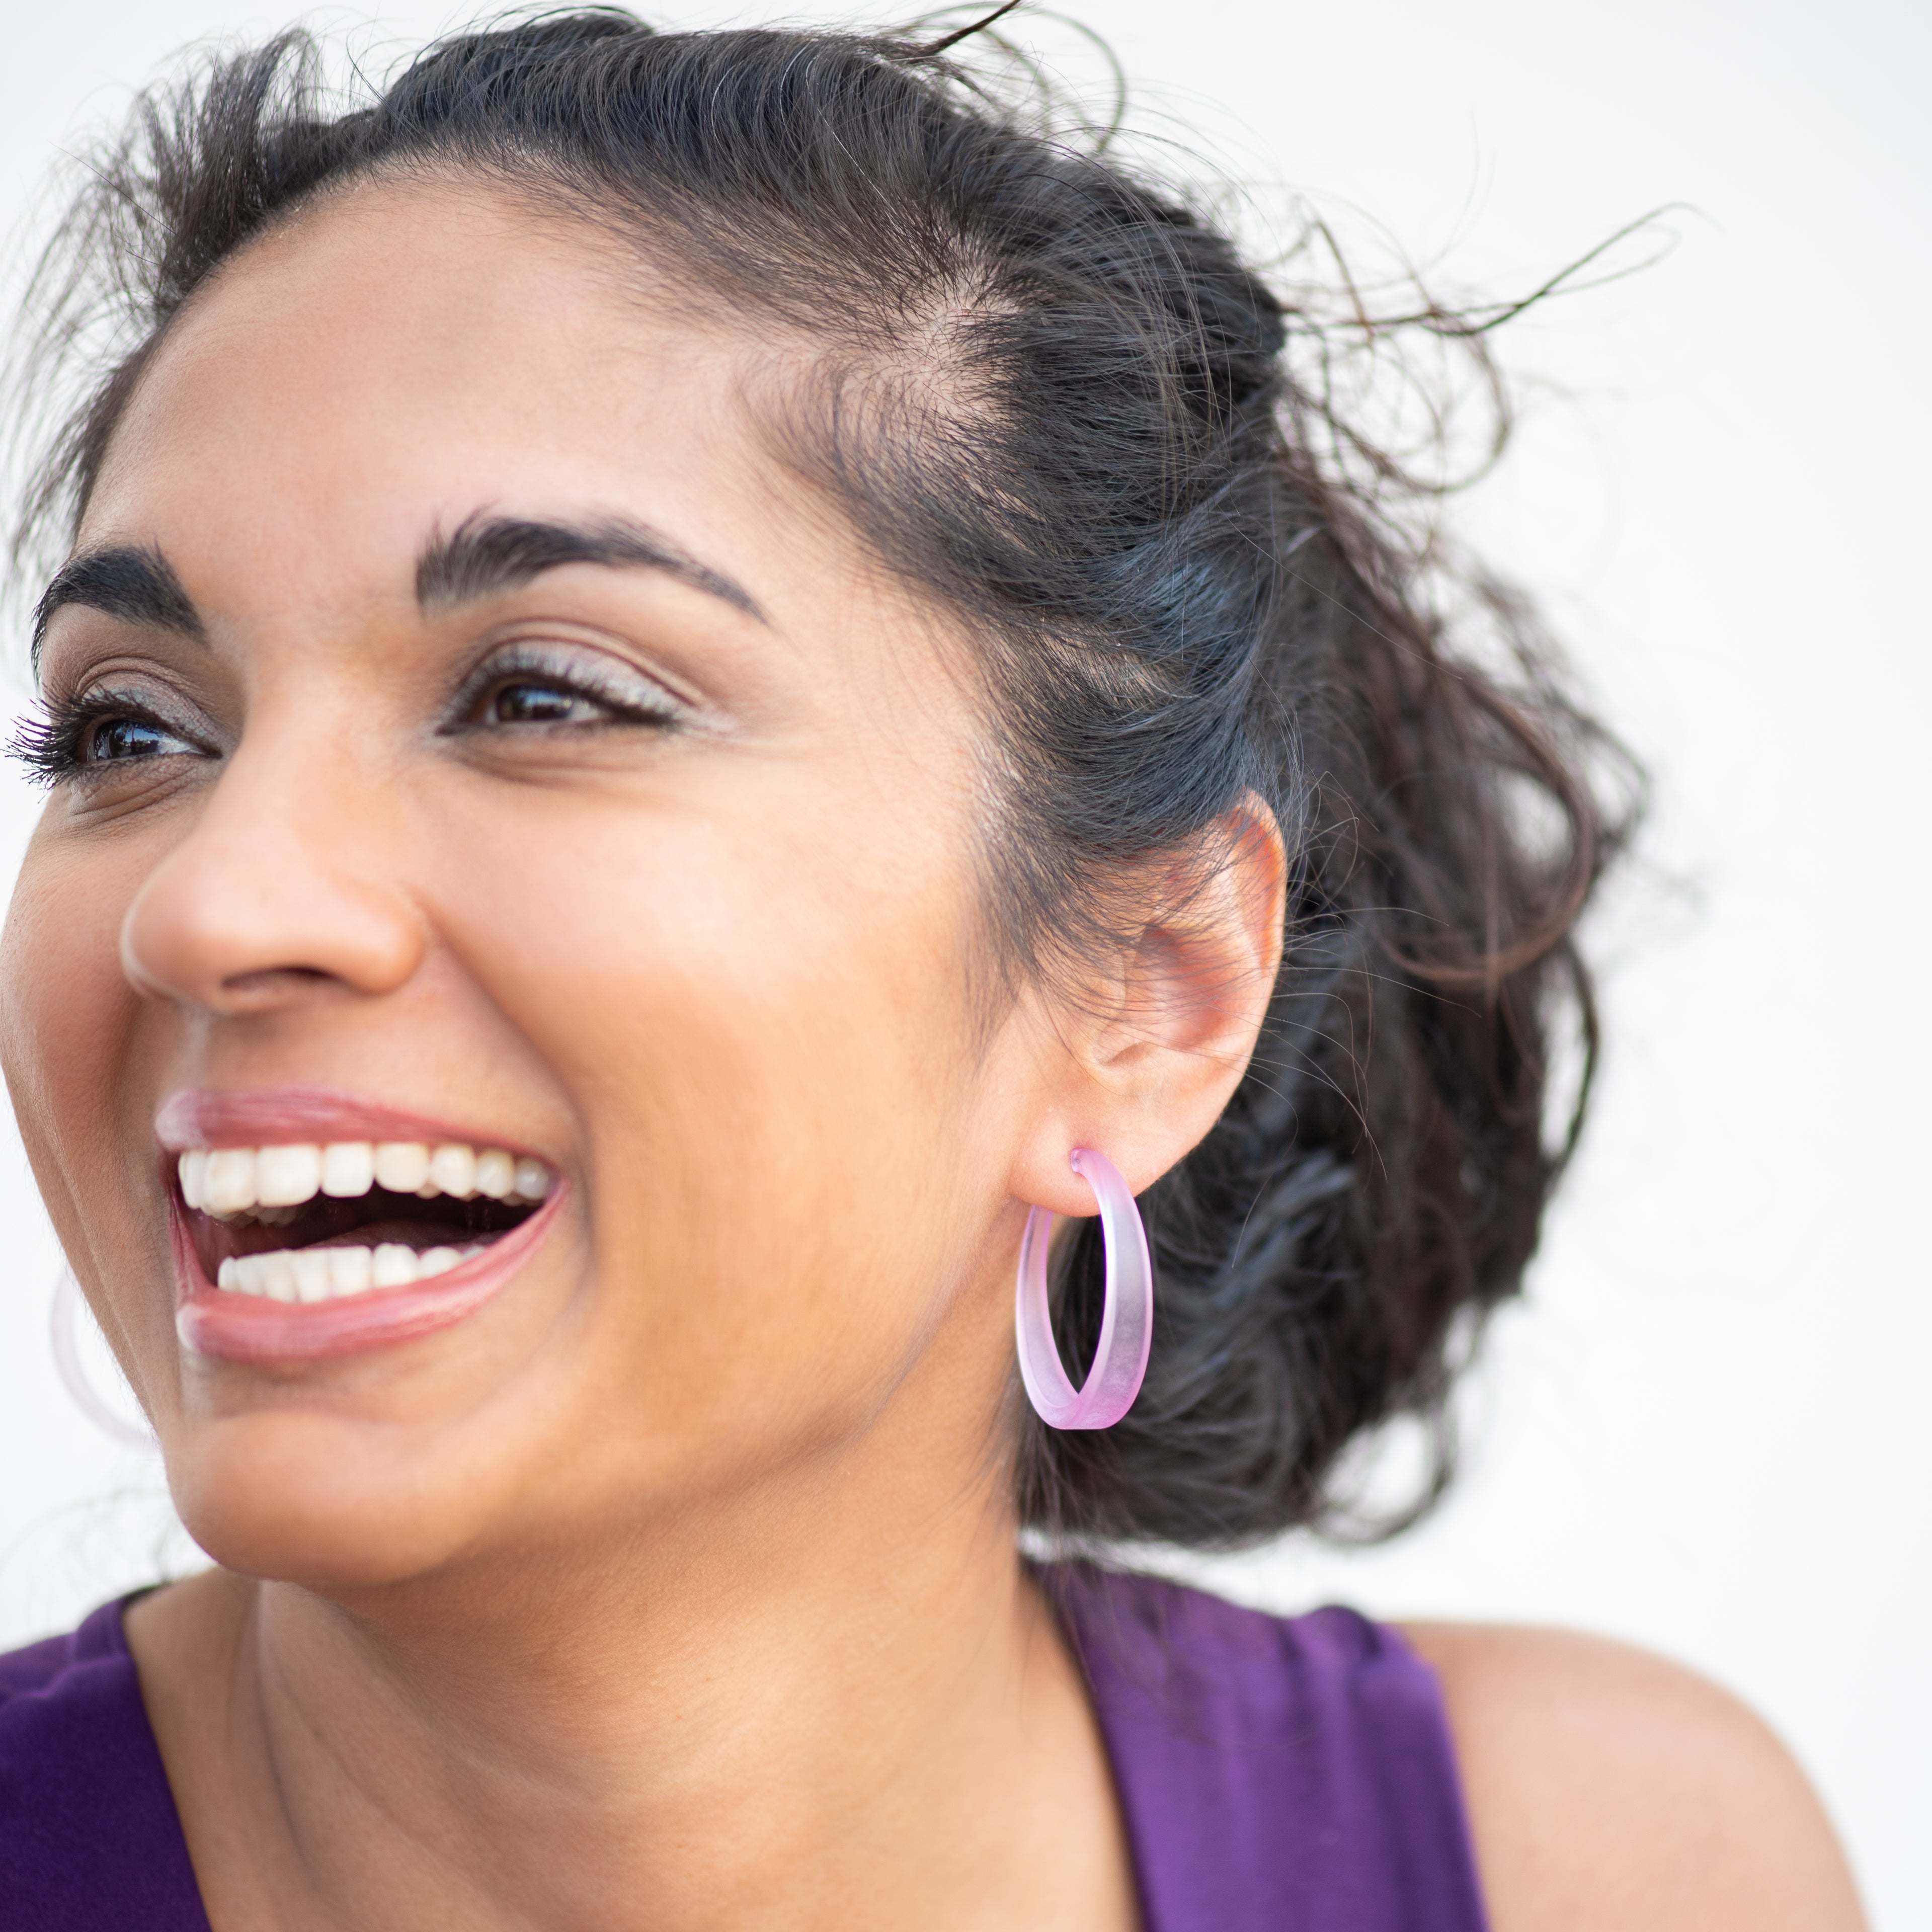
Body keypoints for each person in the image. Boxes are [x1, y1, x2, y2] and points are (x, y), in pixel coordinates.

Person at [0, 11, 1864, 1928]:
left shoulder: (1611, 1870)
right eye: (130, 733)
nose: (209, 910)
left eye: (543, 695)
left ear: (1150, 986)